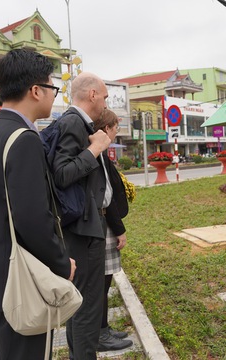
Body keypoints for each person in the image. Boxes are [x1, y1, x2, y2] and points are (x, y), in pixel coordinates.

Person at [0, 49, 76, 360]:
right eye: (52, 88)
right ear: (36, 90)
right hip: (18, 284)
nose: (53, 97)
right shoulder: (24, 139)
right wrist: (62, 265)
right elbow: (34, 219)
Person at [49, 72, 126, 360]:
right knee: (87, 308)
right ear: (92, 94)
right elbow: (62, 173)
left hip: (86, 227)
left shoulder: (79, 123)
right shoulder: (72, 122)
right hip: (82, 232)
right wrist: (95, 148)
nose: (105, 101)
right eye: (104, 96)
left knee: (83, 305)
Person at [92, 109, 133, 351]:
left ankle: (103, 328)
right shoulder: (98, 155)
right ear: (106, 128)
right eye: (116, 127)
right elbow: (106, 199)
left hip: (106, 224)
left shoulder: (103, 155)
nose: (117, 131)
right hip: (105, 225)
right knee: (101, 284)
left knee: (104, 283)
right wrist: (120, 229)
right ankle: (99, 334)